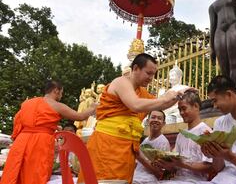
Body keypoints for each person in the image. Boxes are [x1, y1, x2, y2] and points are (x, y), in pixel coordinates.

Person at [78, 53, 183, 183]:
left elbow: (161, 104)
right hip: (107, 146)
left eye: (153, 74)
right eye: (148, 73)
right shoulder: (120, 82)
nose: (151, 78)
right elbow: (136, 105)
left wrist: (179, 95)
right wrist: (165, 98)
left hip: (126, 150)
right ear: (135, 68)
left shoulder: (142, 92)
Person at [0, 80, 96, 184]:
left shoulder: (27, 103)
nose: (61, 96)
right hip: (40, 142)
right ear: (56, 90)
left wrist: (51, 127)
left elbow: (18, 122)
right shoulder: (56, 105)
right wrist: (92, 107)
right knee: (36, 175)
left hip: (21, 141)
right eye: (61, 93)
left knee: (16, 172)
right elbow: (80, 116)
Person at [156, 90, 213, 183]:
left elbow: (210, 166)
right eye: (179, 110)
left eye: (184, 108)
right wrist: (166, 164)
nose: (181, 113)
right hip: (177, 180)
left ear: (196, 106)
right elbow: (176, 166)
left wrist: (184, 164)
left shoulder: (206, 133)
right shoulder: (181, 135)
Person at [133, 110, 170, 184]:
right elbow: (137, 164)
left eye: (159, 118)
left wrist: (140, 158)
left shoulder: (163, 142)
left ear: (163, 123)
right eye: (153, 117)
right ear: (147, 121)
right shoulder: (145, 141)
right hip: (136, 175)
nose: (156, 120)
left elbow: (159, 173)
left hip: (149, 179)